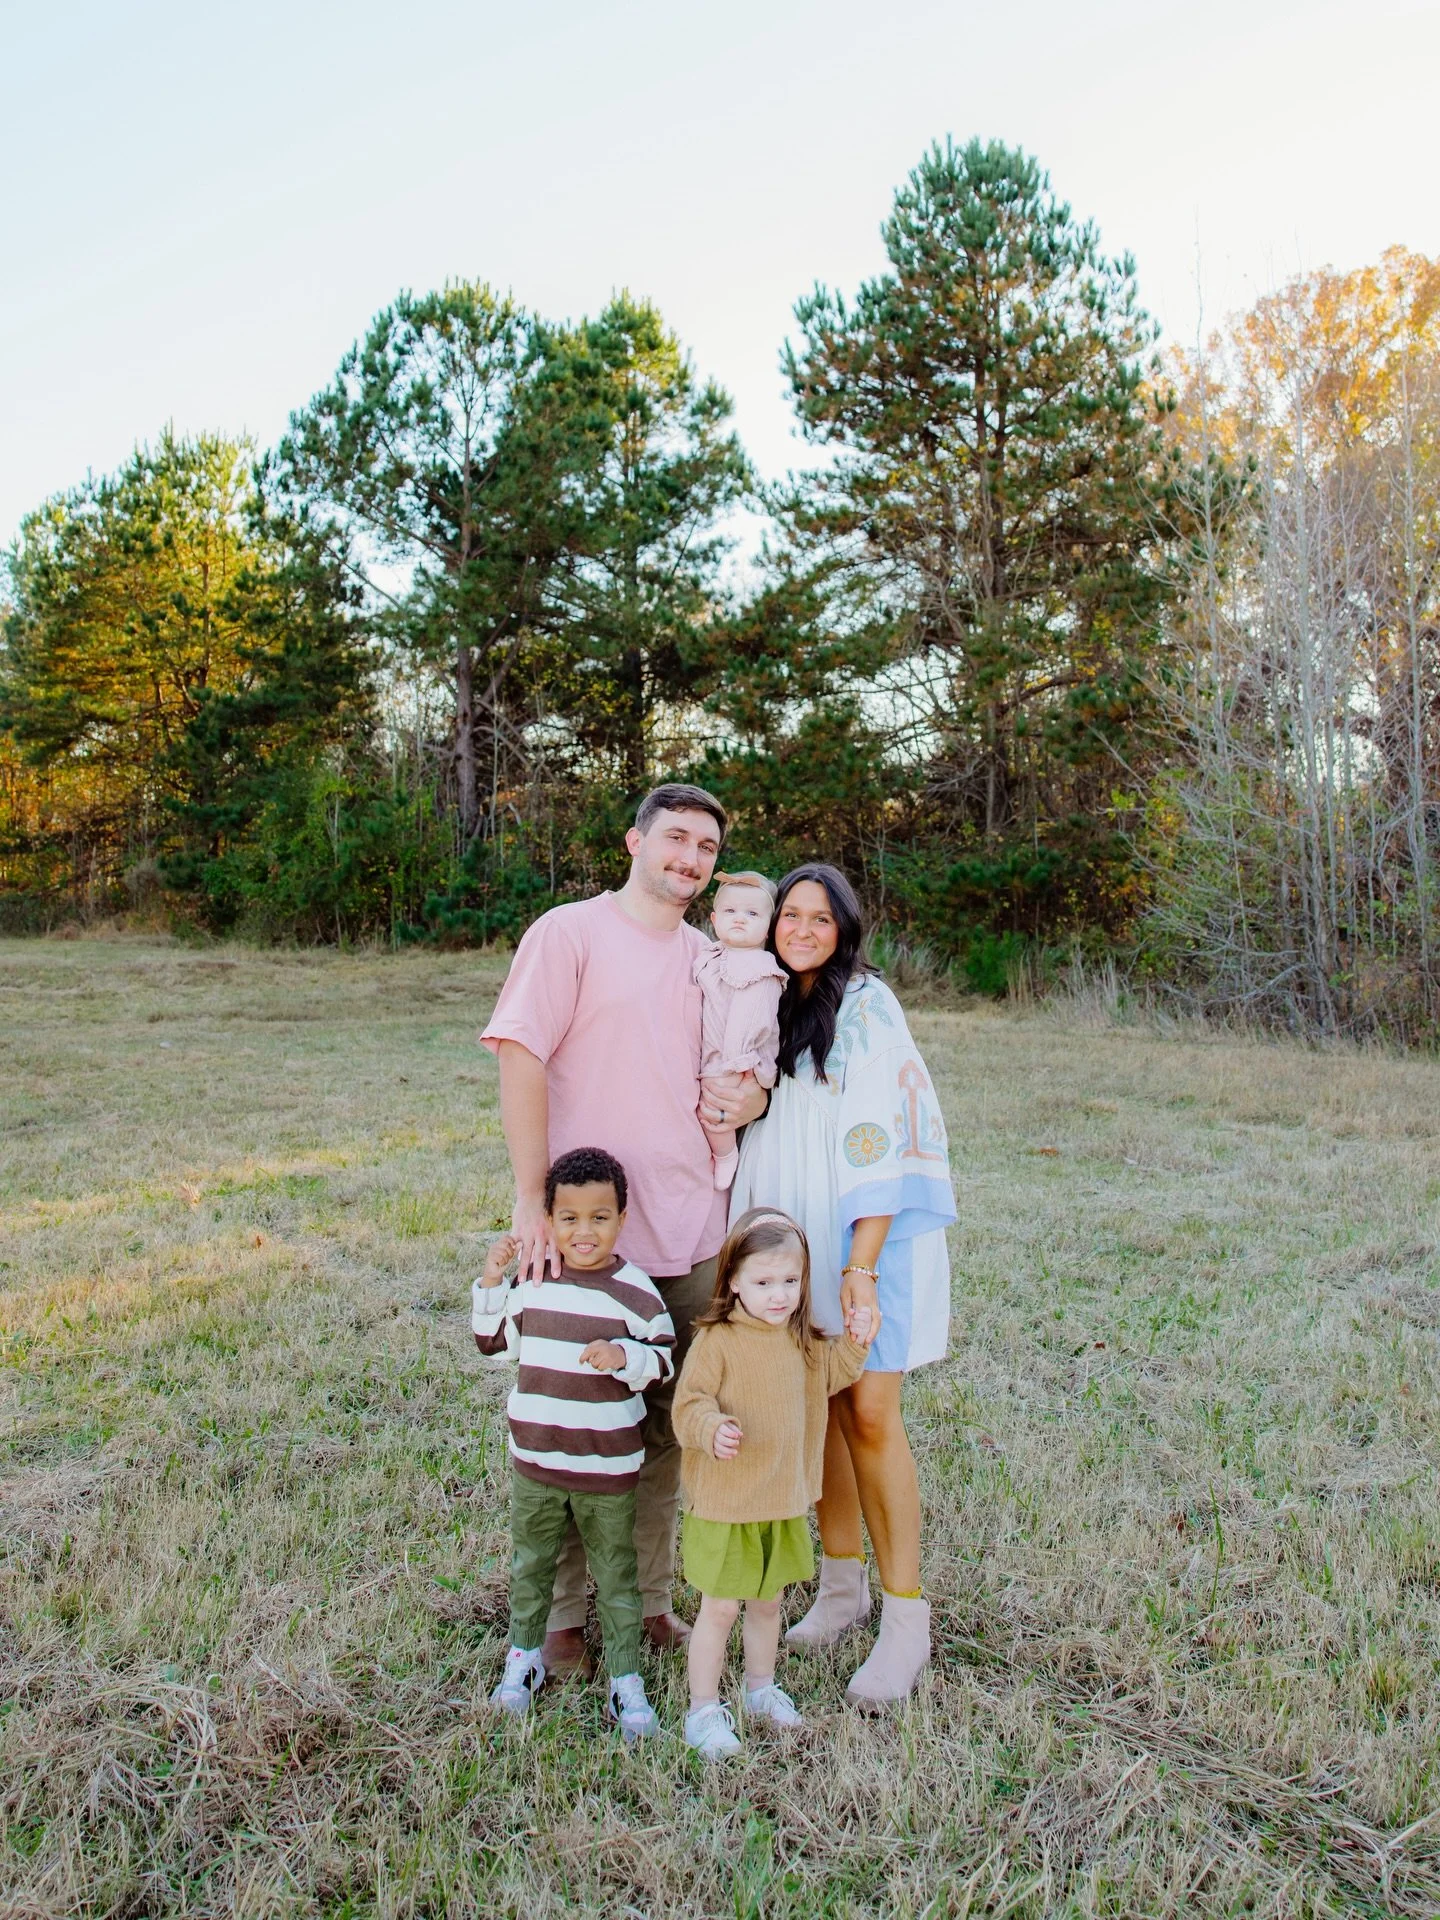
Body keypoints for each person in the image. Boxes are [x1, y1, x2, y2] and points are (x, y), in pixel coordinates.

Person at [479, 783, 768, 1674]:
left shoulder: (711, 957)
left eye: (707, 848)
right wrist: (532, 1201)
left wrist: (751, 1094)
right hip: (587, 1238)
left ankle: (643, 1603)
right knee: (576, 1433)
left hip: (688, 1229)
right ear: (635, 842)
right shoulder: (569, 933)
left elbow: (741, 1061)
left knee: (663, 1432)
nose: (690, 859)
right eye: (675, 839)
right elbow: (522, 1055)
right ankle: (563, 1615)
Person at [730, 864, 957, 1705]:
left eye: (819, 918)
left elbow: (879, 1135)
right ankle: (839, 1585)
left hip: (867, 1240)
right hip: (794, 1246)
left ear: (845, 928)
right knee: (818, 1405)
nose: (800, 928)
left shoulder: (868, 1007)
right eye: (789, 914)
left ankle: (906, 1621)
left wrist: (861, 1265)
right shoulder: (768, 1004)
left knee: (867, 1411)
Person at [472, 1147, 673, 1741]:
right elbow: (492, 1344)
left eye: (599, 1218)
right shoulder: (533, 1283)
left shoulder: (634, 1291)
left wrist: (625, 1356)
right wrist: (490, 1281)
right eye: (569, 1219)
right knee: (532, 1563)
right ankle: (524, 1660)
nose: (584, 1232)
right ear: (549, 1221)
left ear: (621, 1219)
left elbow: (662, 1359)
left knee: (615, 1571)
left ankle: (625, 1680)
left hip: (606, 1465)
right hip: (536, 1461)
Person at [670, 1207, 874, 1758]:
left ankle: (761, 1688)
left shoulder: (802, 1342)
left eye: (790, 1281)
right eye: (763, 1282)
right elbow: (688, 1406)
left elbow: (838, 1373)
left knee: (767, 1603)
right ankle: (703, 1709)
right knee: (720, 1607)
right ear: (733, 1281)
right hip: (728, 1499)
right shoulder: (717, 1341)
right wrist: (710, 1429)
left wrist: (856, 1342)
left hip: (781, 1498)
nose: (779, 1295)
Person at [692, 871, 787, 1189]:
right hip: (714, 1049)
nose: (739, 920)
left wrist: (731, 1062)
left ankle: (725, 1154)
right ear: (714, 919)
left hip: (741, 1058)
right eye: (730, 912)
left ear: (768, 926)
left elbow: (749, 1023)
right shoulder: (711, 955)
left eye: (752, 913)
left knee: (715, 1104)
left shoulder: (761, 969)